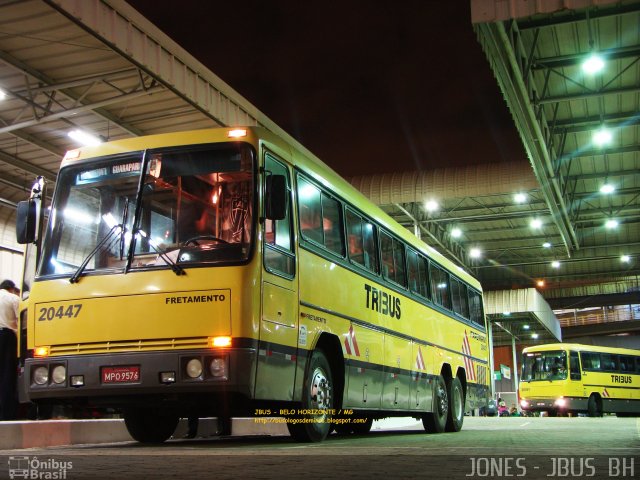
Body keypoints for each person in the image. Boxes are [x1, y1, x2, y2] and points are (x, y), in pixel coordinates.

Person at [0, 279, 19, 420]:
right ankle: (6, 414)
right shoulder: (13, 298)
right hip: (6, 336)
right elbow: (22, 320)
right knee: (7, 374)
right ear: (11, 289)